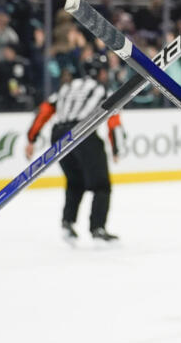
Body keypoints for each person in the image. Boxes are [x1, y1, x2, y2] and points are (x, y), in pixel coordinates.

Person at [25, 54, 122, 244]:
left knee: (74, 180)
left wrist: (31, 139)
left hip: (58, 135)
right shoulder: (103, 89)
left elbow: (45, 110)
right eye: (104, 71)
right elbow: (113, 121)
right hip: (82, 133)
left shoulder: (67, 87)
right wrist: (116, 148)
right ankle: (97, 228)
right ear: (99, 72)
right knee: (101, 185)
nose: (105, 75)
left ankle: (67, 223)